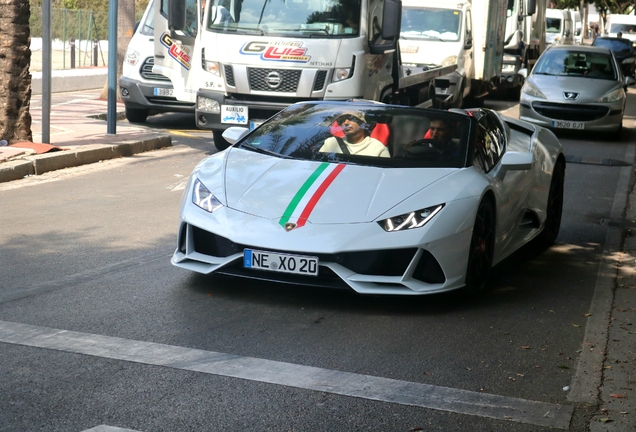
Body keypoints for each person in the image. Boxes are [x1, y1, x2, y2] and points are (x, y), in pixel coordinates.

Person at [320, 112, 390, 157]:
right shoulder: (330, 143)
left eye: (351, 118)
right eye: (342, 120)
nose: (346, 123)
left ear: (363, 124)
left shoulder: (378, 149)